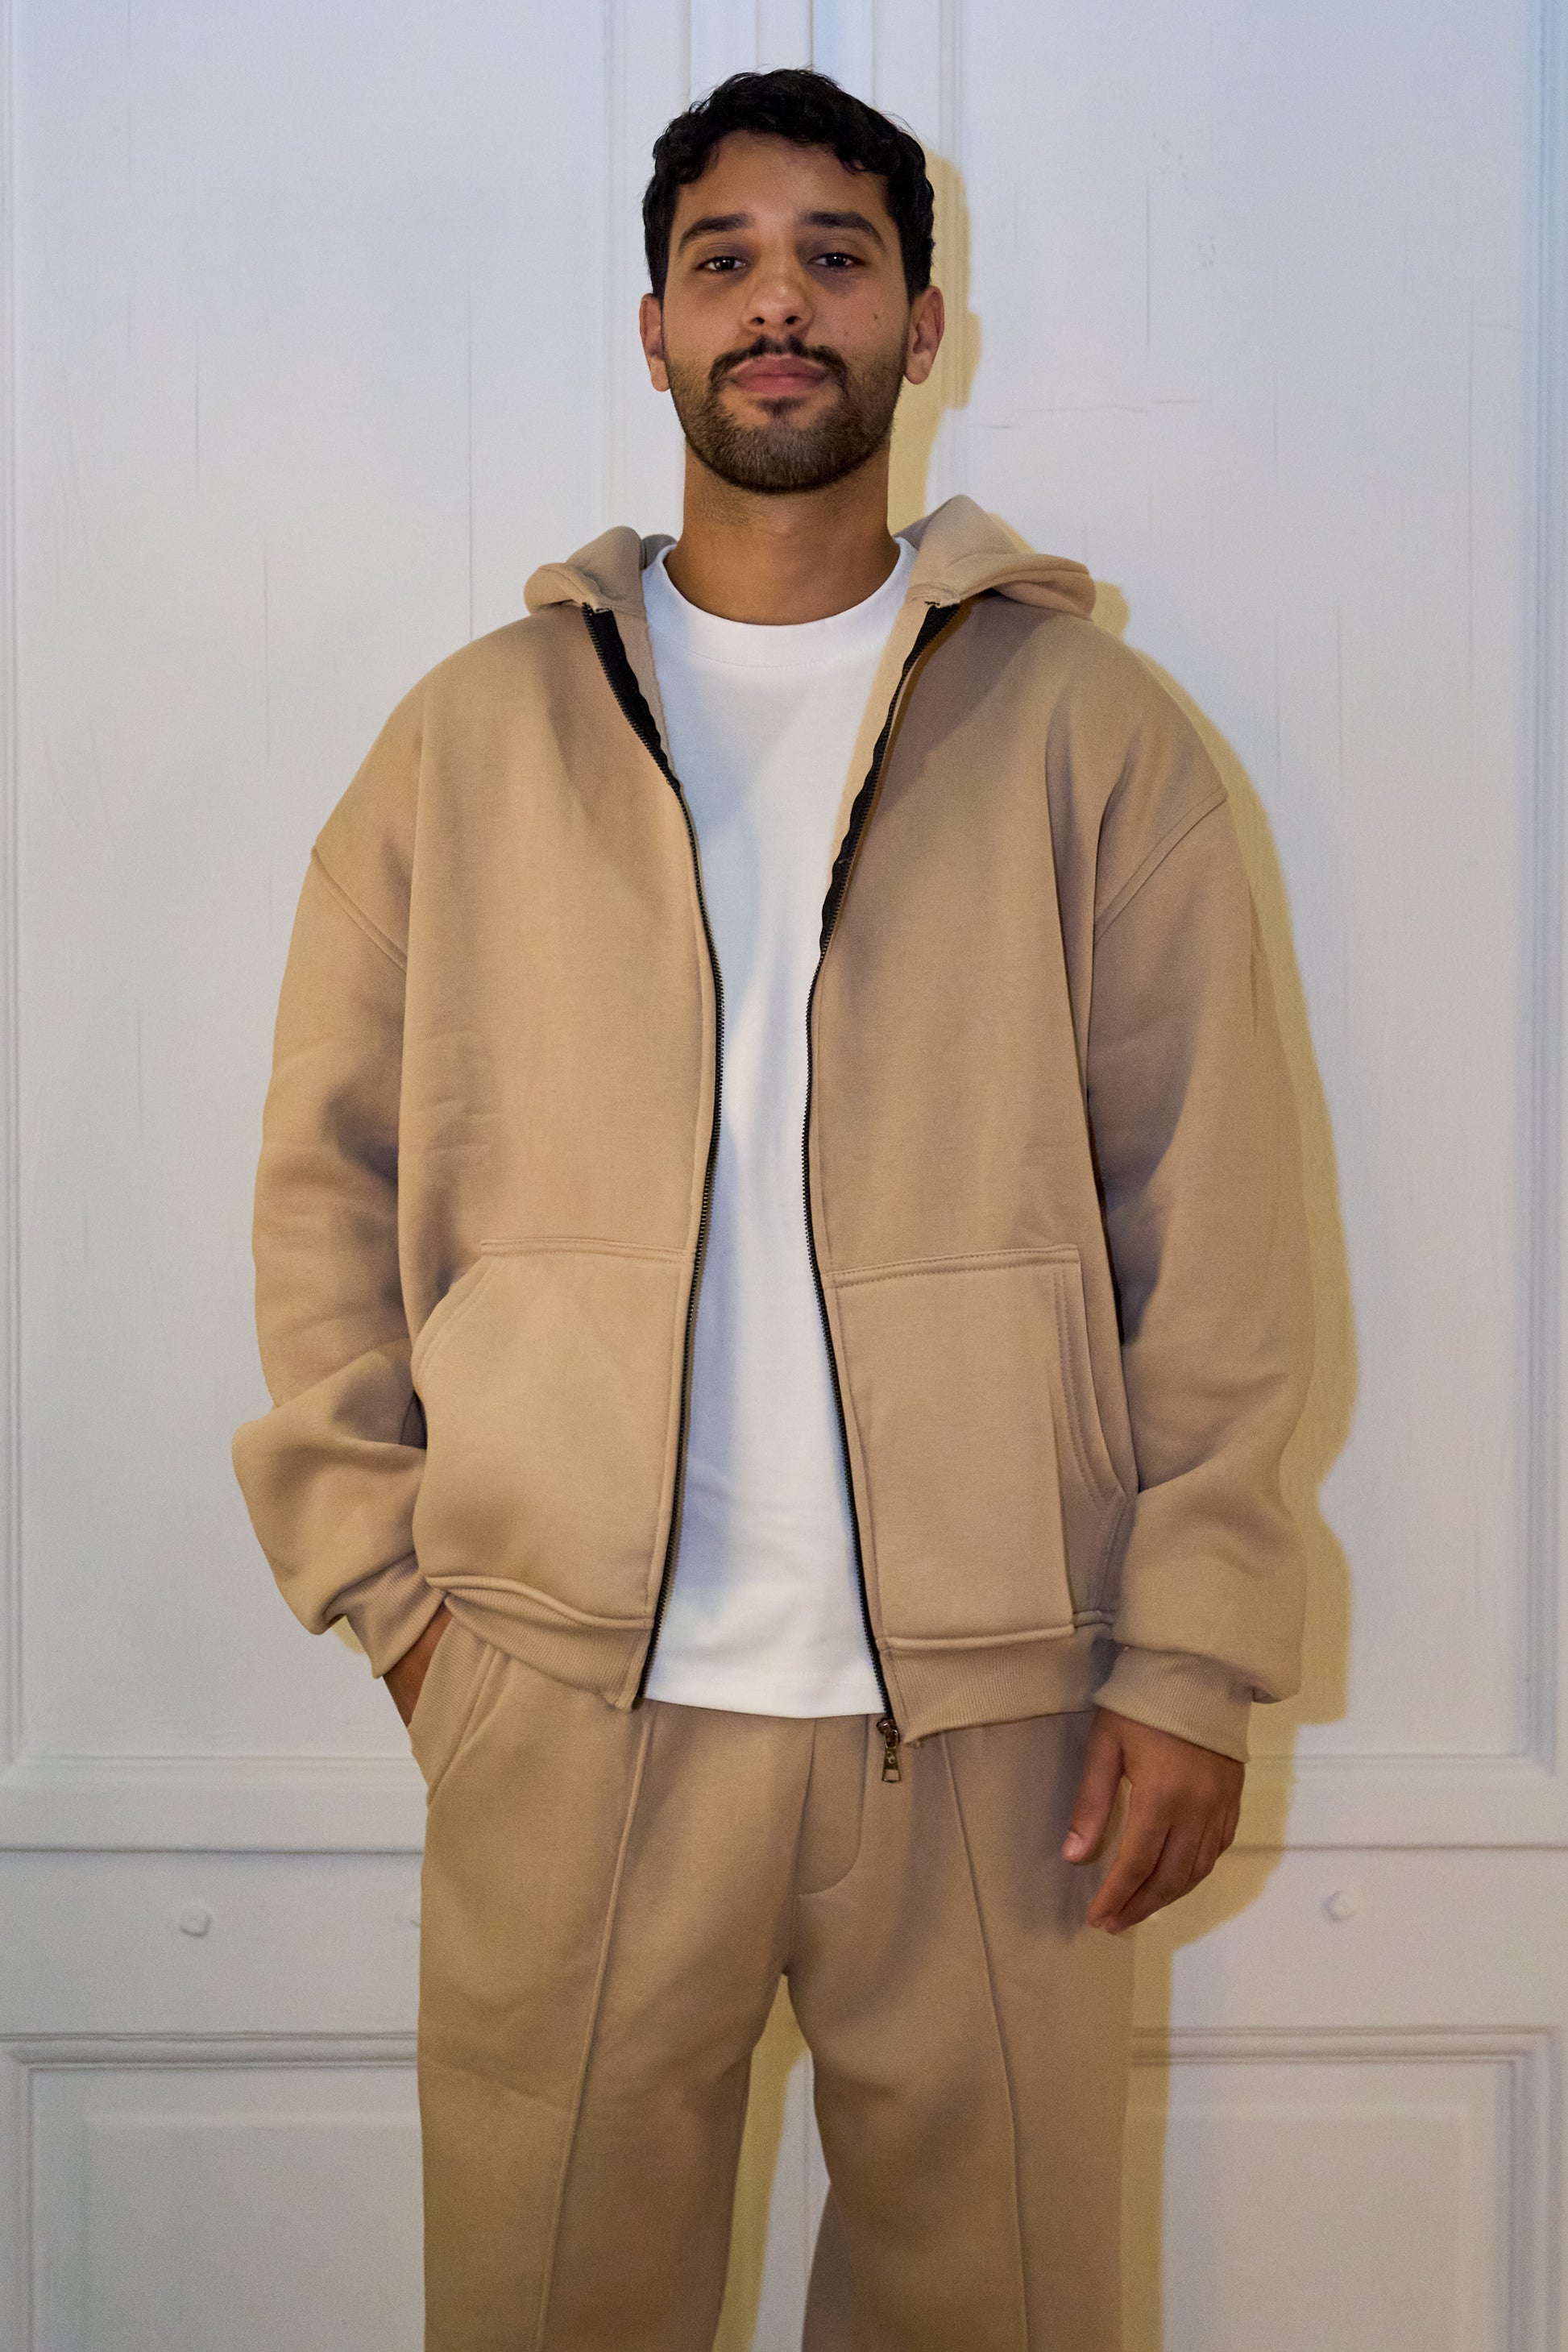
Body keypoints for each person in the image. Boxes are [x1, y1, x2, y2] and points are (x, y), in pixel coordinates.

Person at [233, 65, 1313, 2352]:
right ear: (653, 331)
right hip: (563, 1706)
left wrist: (1191, 1656)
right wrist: (400, 1603)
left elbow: (1211, 1223)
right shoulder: (473, 739)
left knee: (997, 2317)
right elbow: (323, 1177)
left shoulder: (1090, 734)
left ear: (924, 322)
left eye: (837, 256)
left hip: (1002, 1726)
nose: (778, 305)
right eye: (723, 261)